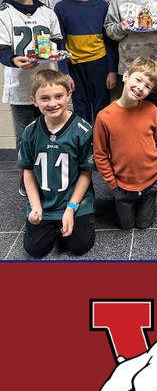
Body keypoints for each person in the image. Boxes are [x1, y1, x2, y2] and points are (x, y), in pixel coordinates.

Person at [0, 0, 64, 196]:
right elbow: (2, 49)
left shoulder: (47, 12)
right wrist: (14, 59)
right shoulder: (4, 13)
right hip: (20, 86)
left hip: (47, 84)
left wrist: (53, 54)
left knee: (51, 128)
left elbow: (58, 41)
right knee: (26, 132)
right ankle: (26, 174)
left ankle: (49, 170)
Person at [19, 69, 95, 258]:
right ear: (34, 101)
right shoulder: (30, 132)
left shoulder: (82, 130)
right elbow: (28, 172)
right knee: (34, 250)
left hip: (75, 201)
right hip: (45, 201)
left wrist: (71, 209)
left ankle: (72, 218)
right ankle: (47, 223)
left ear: (69, 94)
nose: (52, 103)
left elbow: (86, 173)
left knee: (79, 247)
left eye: (58, 96)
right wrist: (36, 206)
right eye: (44, 98)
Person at [93, 56, 157, 231]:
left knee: (144, 224)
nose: (141, 87)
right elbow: (100, 155)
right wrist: (112, 183)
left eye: (147, 86)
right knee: (125, 225)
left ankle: (145, 203)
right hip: (123, 185)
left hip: (151, 181)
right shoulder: (104, 117)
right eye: (138, 79)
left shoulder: (151, 110)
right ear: (126, 76)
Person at [54, 0, 118, 124]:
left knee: (102, 107)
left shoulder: (102, 6)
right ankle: (83, 146)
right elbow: (59, 44)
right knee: (80, 108)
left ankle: (101, 147)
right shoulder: (61, 8)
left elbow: (109, 40)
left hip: (99, 64)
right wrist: (64, 73)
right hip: (74, 66)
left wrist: (112, 70)